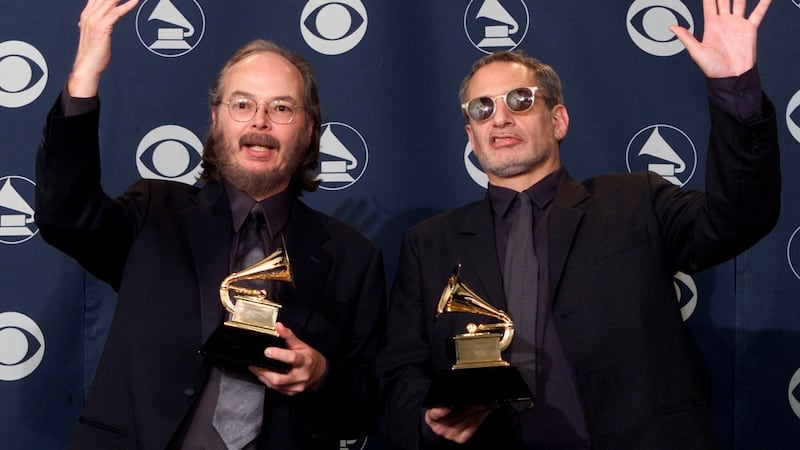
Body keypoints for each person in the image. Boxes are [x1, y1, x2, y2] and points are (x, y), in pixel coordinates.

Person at [377, 0, 779, 449]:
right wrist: (430, 421)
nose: (501, 117)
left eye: (519, 100)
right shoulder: (429, 243)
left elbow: (739, 218)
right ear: (470, 135)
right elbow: (400, 371)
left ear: (559, 119)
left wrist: (734, 90)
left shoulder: (635, 200)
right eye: (481, 109)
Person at [34, 0, 386, 448]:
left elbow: (371, 402)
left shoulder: (353, 257)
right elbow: (63, 215)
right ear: (216, 118)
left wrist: (321, 375)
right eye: (242, 104)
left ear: (309, 130)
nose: (259, 121)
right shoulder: (154, 212)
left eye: (281, 109)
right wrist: (84, 77)